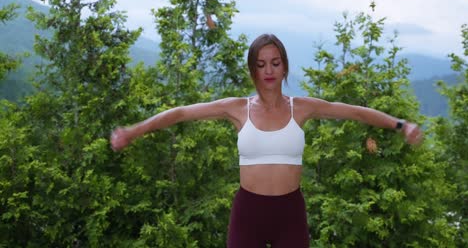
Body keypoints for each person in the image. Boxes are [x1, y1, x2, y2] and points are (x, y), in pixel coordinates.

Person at [110, 34, 423, 248]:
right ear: (252, 70)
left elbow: (355, 112)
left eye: (275, 62)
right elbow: (179, 113)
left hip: (290, 213)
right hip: (248, 212)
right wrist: (133, 131)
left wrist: (400, 125)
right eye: (261, 64)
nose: (269, 70)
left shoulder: (301, 107)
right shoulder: (236, 109)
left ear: (284, 66)